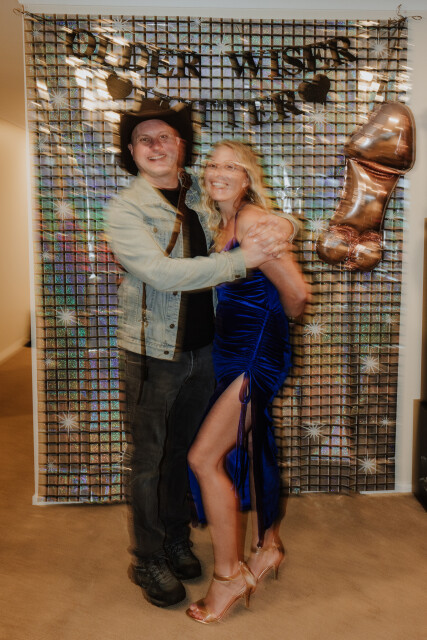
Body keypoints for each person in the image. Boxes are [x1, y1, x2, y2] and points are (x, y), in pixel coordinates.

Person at [106, 99, 299, 609]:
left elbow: (248, 212)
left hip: (208, 351)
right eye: (143, 139)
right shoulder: (125, 209)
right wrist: (242, 260)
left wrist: (285, 226)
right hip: (153, 352)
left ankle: (175, 537)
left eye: (164, 136)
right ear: (131, 151)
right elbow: (162, 274)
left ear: (180, 146)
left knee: (186, 455)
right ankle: (148, 555)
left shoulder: (197, 195)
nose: (155, 146)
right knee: (150, 460)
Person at [186, 140, 309, 623]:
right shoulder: (224, 222)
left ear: (247, 177)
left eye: (231, 166)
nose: (218, 172)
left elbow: (297, 294)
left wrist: (269, 323)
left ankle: (228, 577)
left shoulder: (254, 220)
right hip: (231, 351)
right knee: (252, 446)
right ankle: (268, 546)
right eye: (212, 164)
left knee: (204, 457)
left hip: (254, 353)